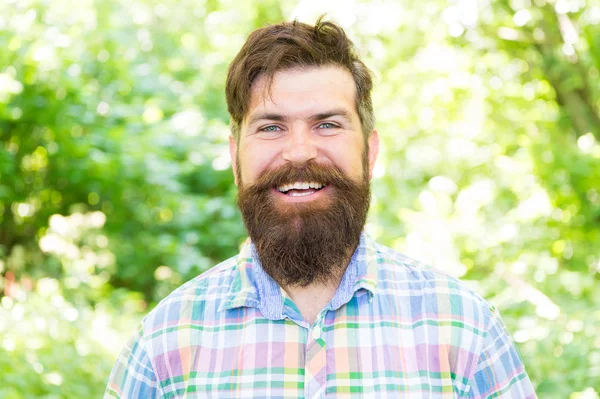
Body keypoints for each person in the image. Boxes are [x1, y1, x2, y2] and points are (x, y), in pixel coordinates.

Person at [105, 18, 537, 399]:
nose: (298, 152)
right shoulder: (164, 343)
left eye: (327, 124)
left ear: (370, 152)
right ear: (236, 157)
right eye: (271, 127)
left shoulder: (464, 328)